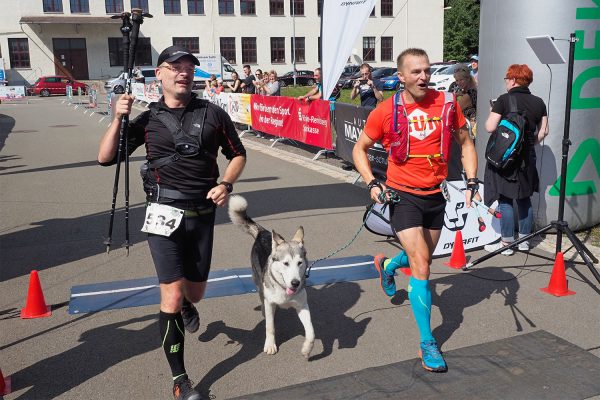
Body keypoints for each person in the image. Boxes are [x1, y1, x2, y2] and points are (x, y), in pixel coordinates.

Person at [97, 45, 246, 400]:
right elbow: (105, 158)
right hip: (163, 214)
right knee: (171, 293)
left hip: (202, 215)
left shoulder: (213, 114)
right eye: (174, 66)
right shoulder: (147, 120)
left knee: (192, 293)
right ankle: (180, 381)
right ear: (159, 74)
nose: (183, 72)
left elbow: (238, 154)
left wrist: (226, 183)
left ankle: (186, 303)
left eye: (188, 67)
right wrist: (118, 117)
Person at [352, 48, 479, 373]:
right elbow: (360, 148)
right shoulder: (385, 111)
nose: (423, 76)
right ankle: (428, 343)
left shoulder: (448, 105)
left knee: (422, 255)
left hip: (436, 195)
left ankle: (389, 266)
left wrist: (472, 182)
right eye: (415, 72)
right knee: (422, 265)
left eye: (426, 70)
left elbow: (465, 143)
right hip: (402, 197)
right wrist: (371, 183)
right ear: (402, 77)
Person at [483, 64, 548, 255]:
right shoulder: (539, 102)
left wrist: (492, 109)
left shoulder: (503, 100)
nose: (506, 82)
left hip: (506, 158)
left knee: (505, 198)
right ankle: (525, 242)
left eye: (507, 78)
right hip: (527, 158)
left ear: (512, 80)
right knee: (524, 198)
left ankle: (506, 243)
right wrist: (529, 144)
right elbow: (544, 131)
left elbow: (489, 127)